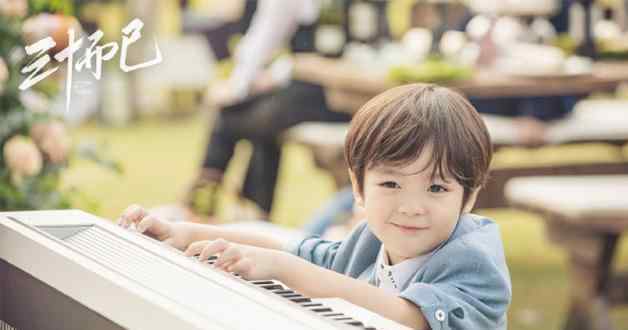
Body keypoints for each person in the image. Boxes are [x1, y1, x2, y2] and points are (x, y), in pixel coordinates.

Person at [119, 84, 512, 329]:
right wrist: (186, 233)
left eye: (437, 188)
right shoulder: (370, 242)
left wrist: (284, 269)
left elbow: (409, 317)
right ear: (358, 187)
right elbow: (293, 249)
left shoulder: (474, 260)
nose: (412, 207)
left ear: (470, 197)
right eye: (391, 183)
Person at [186, 0, 350, 218]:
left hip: (333, 94)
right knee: (257, 120)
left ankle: (209, 200)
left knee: (230, 116)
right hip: (339, 90)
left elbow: (264, 39)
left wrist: (237, 88)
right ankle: (250, 209)